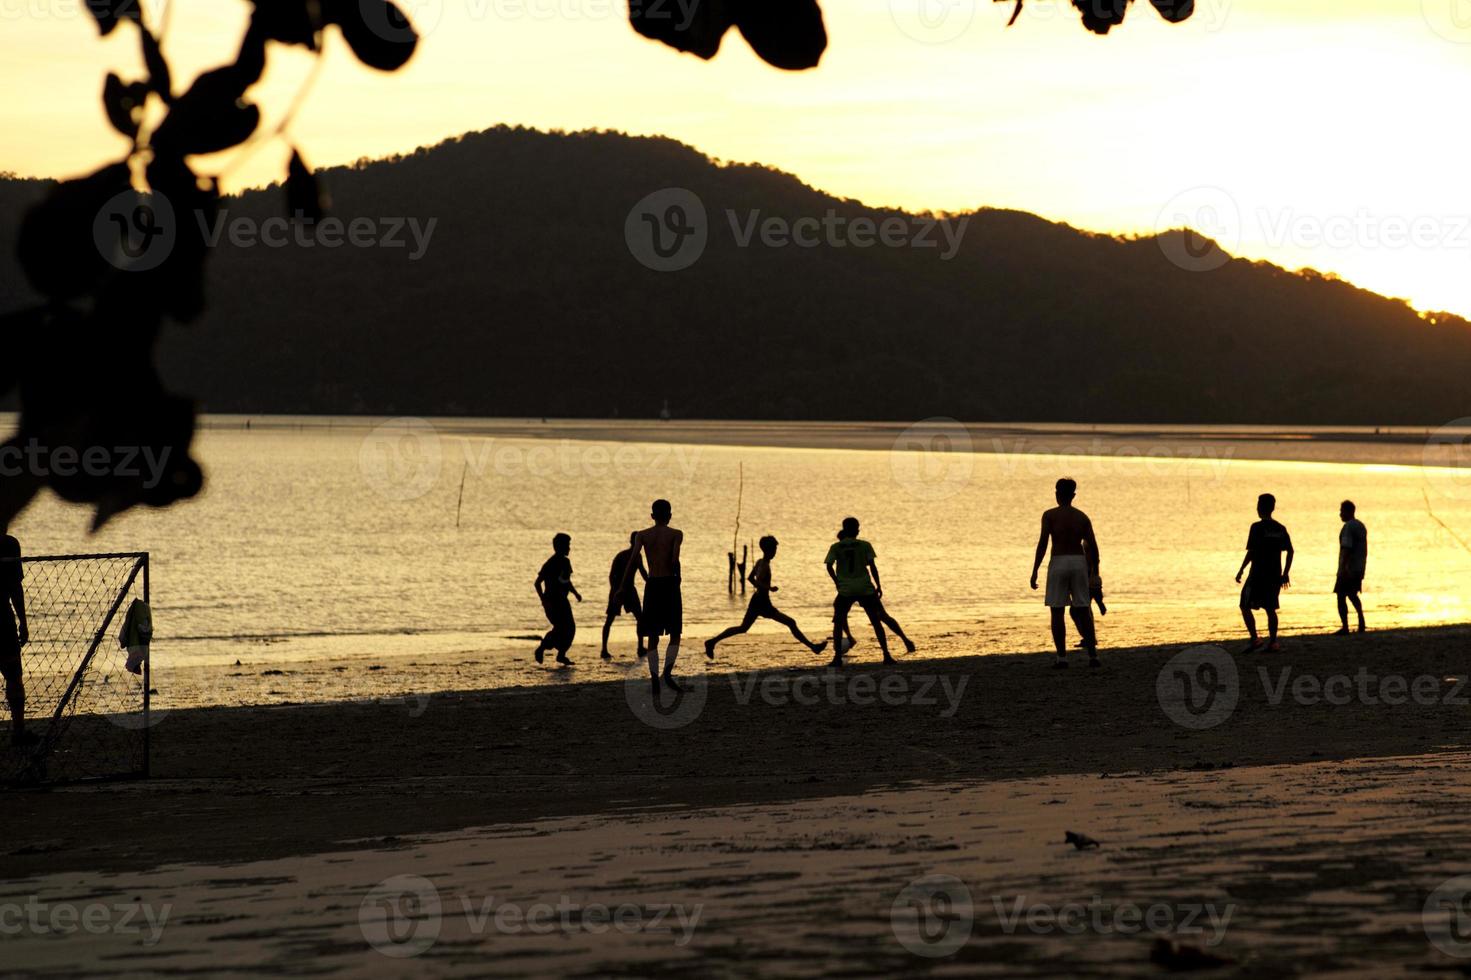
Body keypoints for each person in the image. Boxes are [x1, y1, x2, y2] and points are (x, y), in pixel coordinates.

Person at [705, 536, 827, 659]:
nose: (775, 552)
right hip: (762, 602)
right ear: (769, 550)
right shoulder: (764, 566)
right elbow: (756, 581)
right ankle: (814, 647)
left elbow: (750, 578)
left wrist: (764, 587)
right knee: (790, 622)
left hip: (757, 600)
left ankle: (712, 641)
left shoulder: (760, 562)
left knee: (743, 628)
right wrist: (768, 588)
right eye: (774, 549)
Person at [824, 517, 915, 667]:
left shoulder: (836, 547)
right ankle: (886, 655)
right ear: (856, 530)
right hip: (865, 588)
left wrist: (837, 582)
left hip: (846, 589)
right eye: (858, 527)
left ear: (844, 530)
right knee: (876, 621)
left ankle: (837, 658)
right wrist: (878, 585)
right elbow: (872, 566)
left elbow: (828, 565)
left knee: (838, 621)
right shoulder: (865, 545)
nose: (859, 529)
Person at [1030, 478, 1101, 668]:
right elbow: (1093, 547)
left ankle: (1062, 658)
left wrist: (1035, 569)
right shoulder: (1082, 517)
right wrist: (1094, 572)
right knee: (1083, 609)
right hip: (1078, 562)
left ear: (1056, 494)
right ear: (1073, 495)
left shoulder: (1049, 515)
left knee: (1057, 610)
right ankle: (1093, 656)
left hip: (1059, 561)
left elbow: (1043, 543)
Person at [620, 499, 684, 695]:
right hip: (669, 584)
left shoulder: (642, 535)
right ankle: (667, 673)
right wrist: (678, 578)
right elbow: (674, 560)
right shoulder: (676, 534)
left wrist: (622, 586)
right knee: (674, 633)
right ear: (670, 515)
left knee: (652, 635)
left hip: (653, 585)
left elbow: (632, 562)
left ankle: (654, 676)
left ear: (652, 516)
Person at [1235, 493, 1293, 653]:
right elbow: (1290, 551)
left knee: (1244, 604)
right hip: (1274, 574)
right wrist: (1286, 573)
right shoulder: (1280, 529)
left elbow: (1252, 551)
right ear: (1272, 508)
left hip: (1257, 574)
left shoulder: (1257, 527)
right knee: (1270, 608)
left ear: (1261, 507)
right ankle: (1273, 642)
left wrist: (1241, 569)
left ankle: (1255, 639)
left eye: (1258, 505)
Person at [1, 528, 35, 748]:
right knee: (13, 676)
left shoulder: (9, 545)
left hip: (2, 620)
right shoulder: (8, 545)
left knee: (14, 675)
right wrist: (23, 621)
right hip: (1, 621)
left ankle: (19, 730)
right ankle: (18, 729)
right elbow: (15, 588)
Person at [533, 533, 581, 666]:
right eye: (567, 545)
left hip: (563, 601)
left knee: (570, 628)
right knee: (560, 628)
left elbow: (566, 581)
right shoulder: (550, 563)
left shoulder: (566, 562)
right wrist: (544, 601)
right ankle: (541, 648)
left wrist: (575, 593)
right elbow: (537, 583)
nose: (569, 548)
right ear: (559, 547)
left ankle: (561, 655)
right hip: (552, 602)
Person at [601, 532, 647, 660]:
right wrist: (615, 590)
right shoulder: (621, 556)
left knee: (640, 618)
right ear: (633, 542)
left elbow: (643, 573)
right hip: (618, 590)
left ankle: (640, 648)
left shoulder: (638, 556)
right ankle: (604, 649)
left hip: (630, 590)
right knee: (610, 619)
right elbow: (611, 575)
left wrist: (653, 583)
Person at [1334, 500, 1367, 635]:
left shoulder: (1348, 527)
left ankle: (1345, 626)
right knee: (1352, 595)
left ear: (1348, 512)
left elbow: (1347, 548)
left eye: (1342, 511)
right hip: (1359, 567)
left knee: (1341, 595)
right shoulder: (1360, 526)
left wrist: (1342, 568)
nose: (1340, 514)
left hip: (1349, 568)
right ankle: (1361, 621)